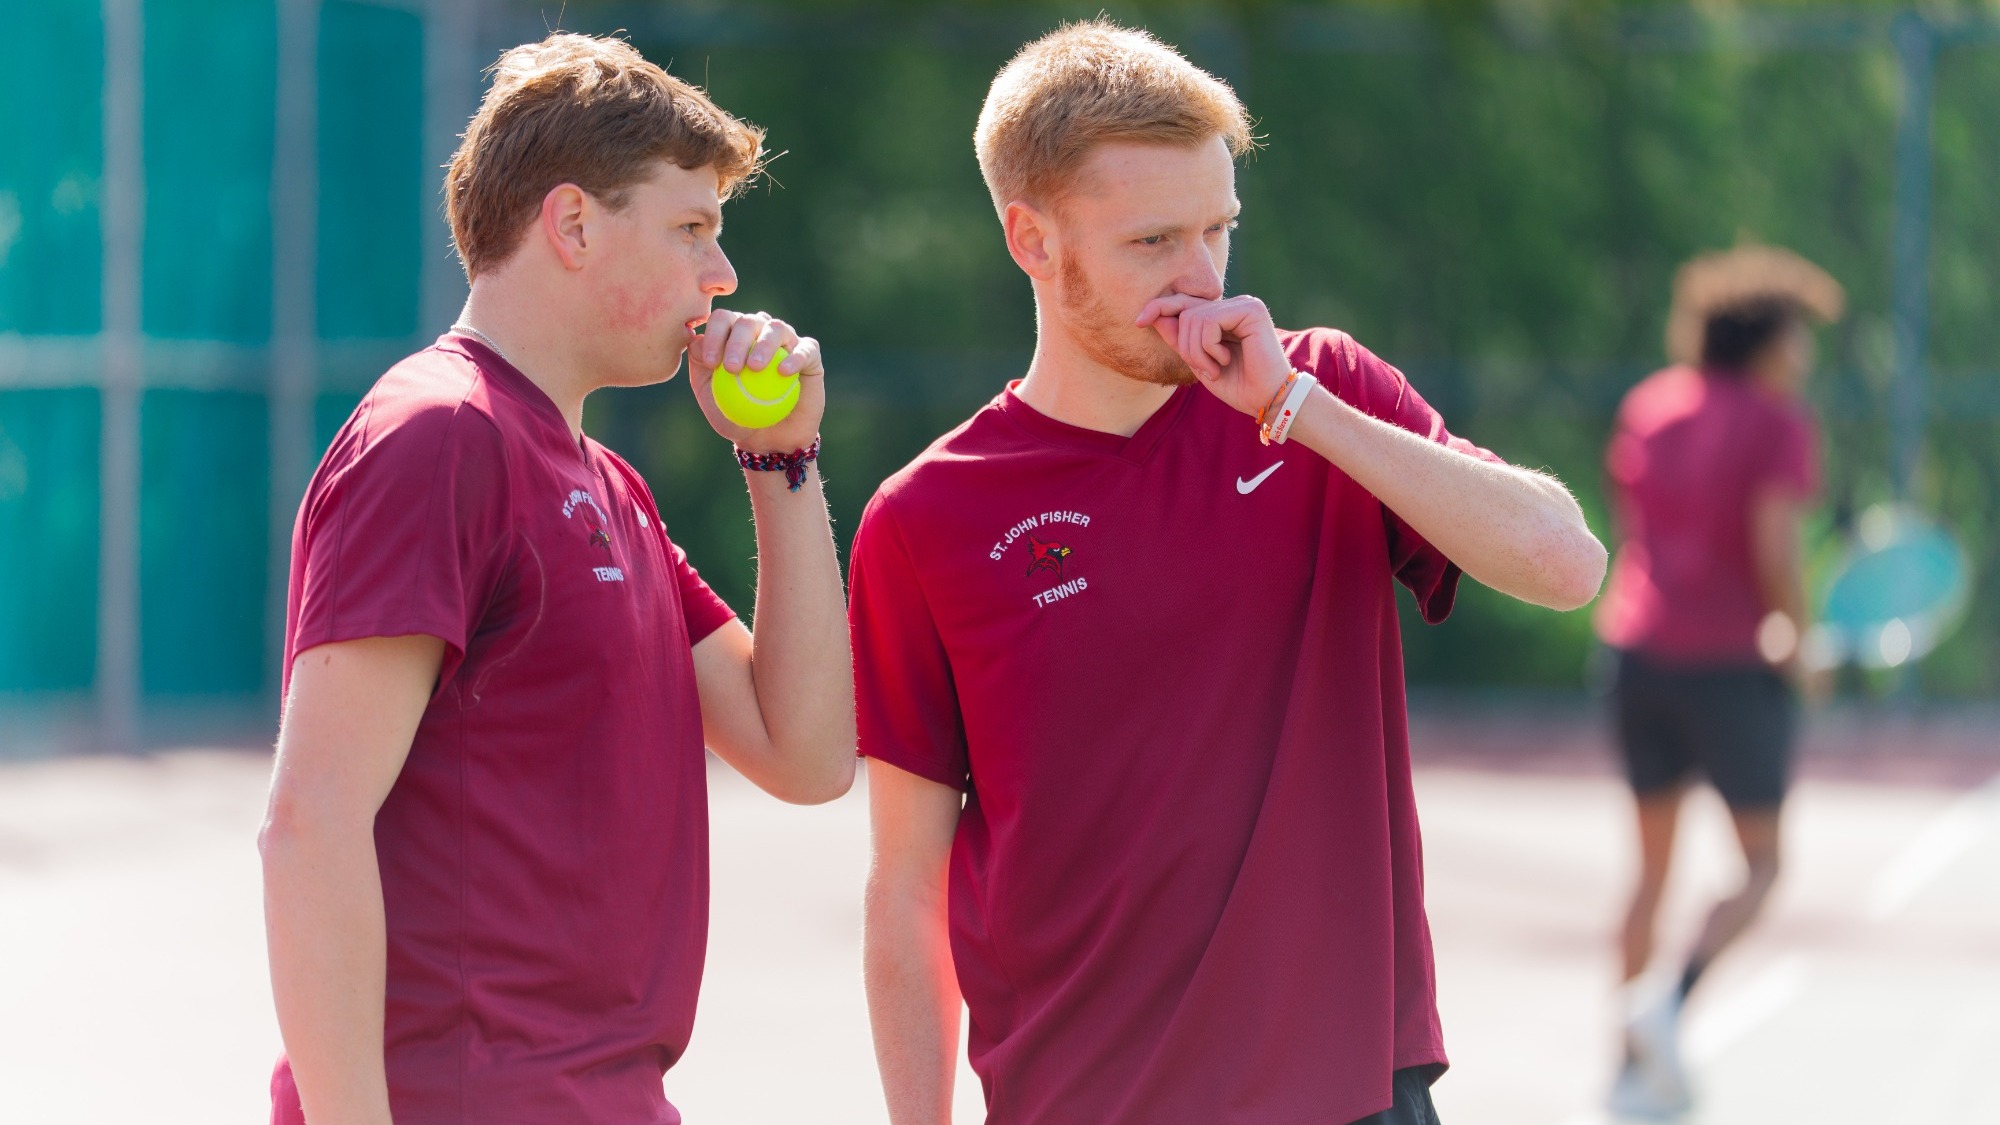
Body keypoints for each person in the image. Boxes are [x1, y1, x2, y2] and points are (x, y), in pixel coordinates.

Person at [850, 20, 1607, 1125]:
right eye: (1152, 242)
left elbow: (1564, 563)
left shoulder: (1319, 396)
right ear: (1031, 240)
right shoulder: (925, 520)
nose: (1200, 279)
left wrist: (1299, 413)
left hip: (1351, 1093)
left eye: (1218, 230)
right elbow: (905, 889)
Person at [257, 34, 854, 1125]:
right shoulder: (436, 435)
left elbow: (807, 755)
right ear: (573, 224)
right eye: (691, 230)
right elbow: (311, 824)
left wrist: (780, 459)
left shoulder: (606, 483)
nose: (720, 277)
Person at [1595, 245, 1842, 1117]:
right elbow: (1774, 550)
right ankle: (1669, 1003)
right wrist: (1800, 643)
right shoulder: (1777, 423)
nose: (1805, 352)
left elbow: (1646, 533)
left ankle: (1626, 1069)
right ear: (1767, 338)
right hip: (1731, 667)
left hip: (1636, 653)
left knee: (1649, 873)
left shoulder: (1649, 407)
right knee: (1765, 863)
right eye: (1798, 335)